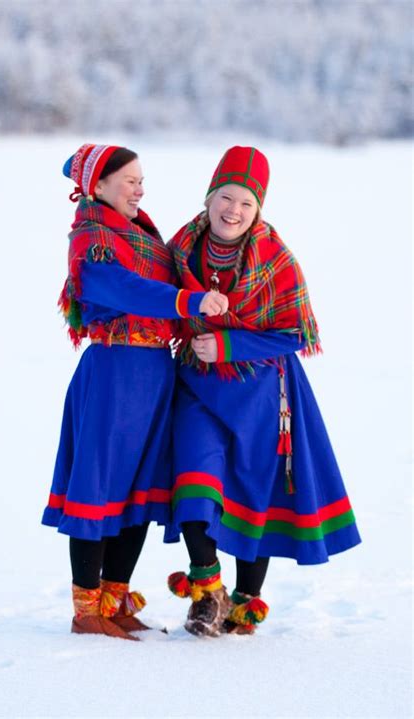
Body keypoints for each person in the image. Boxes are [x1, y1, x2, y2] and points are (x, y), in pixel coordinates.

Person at [165, 146, 361, 637]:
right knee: (194, 477)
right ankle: (207, 592)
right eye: (226, 198)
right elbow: (157, 298)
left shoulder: (277, 259)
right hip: (197, 385)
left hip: (261, 393)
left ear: (259, 209)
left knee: (258, 487)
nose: (233, 210)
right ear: (209, 197)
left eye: (245, 203)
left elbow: (300, 333)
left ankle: (244, 603)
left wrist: (229, 344)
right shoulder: (180, 247)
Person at [42, 143, 228, 640]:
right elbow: (123, 289)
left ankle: (114, 597)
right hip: (114, 372)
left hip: (153, 373)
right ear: (98, 187)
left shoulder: (144, 233)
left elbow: (180, 268)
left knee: (140, 488)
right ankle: (86, 610)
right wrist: (186, 300)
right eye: (129, 181)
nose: (140, 189)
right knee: (99, 484)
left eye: (141, 180)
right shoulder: (92, 236)